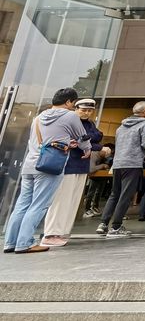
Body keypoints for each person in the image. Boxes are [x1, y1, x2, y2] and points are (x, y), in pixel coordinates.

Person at [4, 88, 89, 254]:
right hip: (49, 166)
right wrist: (86, 149)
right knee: (39, 205)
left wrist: (64, 142)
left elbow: (39, 140)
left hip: (30, 165)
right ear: (69, 102)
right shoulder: (70, 115)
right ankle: (25, 243)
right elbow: (82, 137)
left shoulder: (38, 117)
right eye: (73, 103)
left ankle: (10, 242)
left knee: (22, 205)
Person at [40, 98, 106, 247]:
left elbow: (95, 136)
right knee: (61, 200)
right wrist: (89, 142)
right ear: (75, 108)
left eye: (89, 110)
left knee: (73, 200)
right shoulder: (69, 120)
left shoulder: (89, 123)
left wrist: (87, 141)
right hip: (68, 164)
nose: (86, 113)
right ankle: (51, 232)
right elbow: (79, 140)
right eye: (83, 110)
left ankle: (63, 231)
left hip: (82, 165)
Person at [98, 101, 145, 238]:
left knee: (114, 194)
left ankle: (103, 223)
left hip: (118, 163)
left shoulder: (121, 127)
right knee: (125, 195)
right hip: (133, 163)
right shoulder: (144, 124)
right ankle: (116, 226)